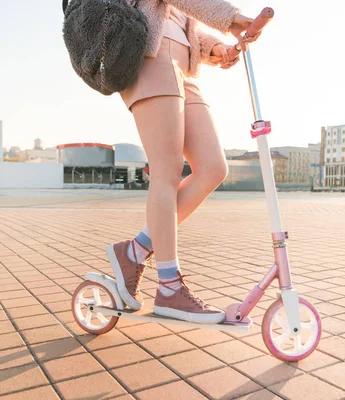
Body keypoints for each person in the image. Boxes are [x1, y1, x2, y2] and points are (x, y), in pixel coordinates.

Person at [106, 0, 260, 324]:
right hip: (150, 58)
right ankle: (169, 286)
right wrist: (231, 19)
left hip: (182, 70)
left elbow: (181, 16)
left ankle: (134, 252)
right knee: (167, 172)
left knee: (214, 168)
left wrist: (215, 48)